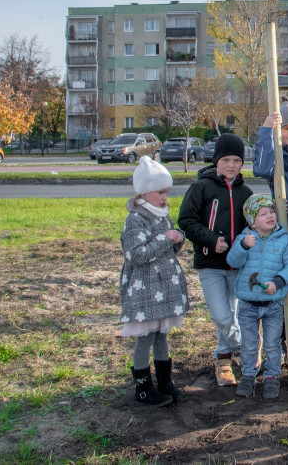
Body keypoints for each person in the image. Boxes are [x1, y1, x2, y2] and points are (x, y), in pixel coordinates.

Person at [177, 133, 253, 387]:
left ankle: (224, 359)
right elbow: (186, 221)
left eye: (236, 160)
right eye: (226, 160)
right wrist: (211, 240)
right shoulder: (201, 187)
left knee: (235, 313)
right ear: (216, 160)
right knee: (222, 315)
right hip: (210, 265)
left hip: (238, 265)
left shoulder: (247, 193)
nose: (231, 165)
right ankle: (247, 346)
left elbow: (258, 221)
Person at [118, 157, 190, 407]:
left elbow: (167, 250)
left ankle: (164, 382)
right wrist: (164, 239)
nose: (164, 197)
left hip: (162, 290)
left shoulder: (161, 216)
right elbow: (136, 255)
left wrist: (176, 239)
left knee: (161, 336)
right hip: (145, 291)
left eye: (166, 192)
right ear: (145, 191)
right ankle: (144, 388)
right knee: (146, 337)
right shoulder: (136, 219)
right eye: (160, 192)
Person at [227, 195, 288, 400]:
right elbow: (232, 260)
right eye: (263, 213)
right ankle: (249, 375)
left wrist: (277, 282)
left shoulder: (284, 239)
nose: (270, 216)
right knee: (249, 343)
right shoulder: (245, 238)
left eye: (271, 211)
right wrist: (243, 246)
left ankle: (271, 377)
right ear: (252, 220)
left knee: (272, 343)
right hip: (248, 304)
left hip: (273, 304)